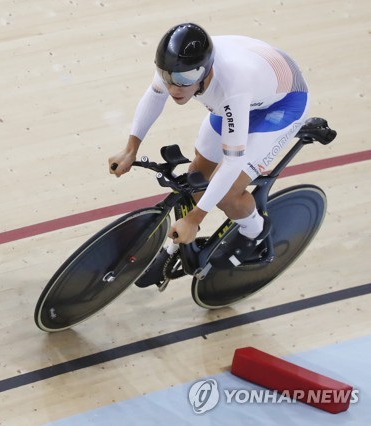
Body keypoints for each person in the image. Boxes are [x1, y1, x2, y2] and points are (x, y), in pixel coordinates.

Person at [108, 23, 309, 288]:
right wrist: (131, 148)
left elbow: (232, 162)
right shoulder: (177, 67)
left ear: (205, 71)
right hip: (251, 89)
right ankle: (174, 250)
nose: (174, 88)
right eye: (168, 78)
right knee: (196, 179)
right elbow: (154, 96)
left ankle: (255, 233)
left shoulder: (231, 86)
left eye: (184, 81)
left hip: (281, 105)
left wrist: (195, 219)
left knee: (227, 193)